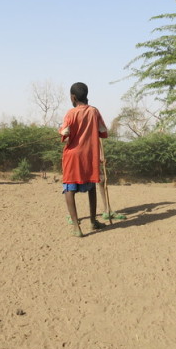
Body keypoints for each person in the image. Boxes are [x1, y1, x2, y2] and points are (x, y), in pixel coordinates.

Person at [59, 82, 108, 237]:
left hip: (72, 157)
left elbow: (65, 132)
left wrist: (61, 132)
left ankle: (76, 228)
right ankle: (93, 221)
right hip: (89, 155)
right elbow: (103, 131)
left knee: (69, 188)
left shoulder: (71, 113)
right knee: (92, 185)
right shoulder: (94, 112)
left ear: (73, 97)